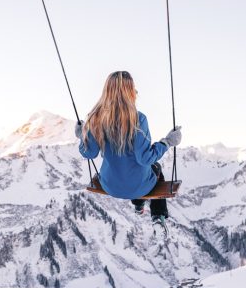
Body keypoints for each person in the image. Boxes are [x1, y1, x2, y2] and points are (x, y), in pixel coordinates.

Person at [75, 70, 182, 233]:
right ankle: (157, 216)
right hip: (140, 187)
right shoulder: (138, 119)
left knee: (133, 172)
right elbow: (145, 158)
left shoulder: (95, 118)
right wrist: (168, 141)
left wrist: (82, 136)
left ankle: (138, 205)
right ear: (130, 91)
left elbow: (89, 153)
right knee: (156, 169)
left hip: (109, 185)